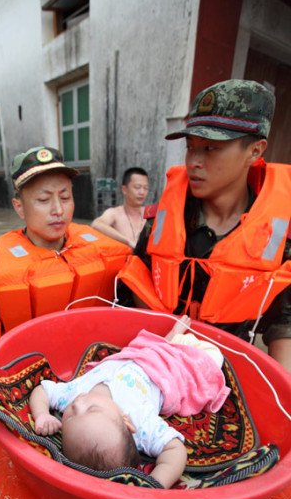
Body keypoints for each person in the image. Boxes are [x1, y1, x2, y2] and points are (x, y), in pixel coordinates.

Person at [0, 146, 131, 438]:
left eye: (65, 197)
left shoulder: (103, 255)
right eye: (43, 200)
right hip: (31, 385)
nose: (58, 210)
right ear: (19, 207)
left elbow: (126, 317)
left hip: (94, 375)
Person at [117, 79, 291, 371]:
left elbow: (284, 330)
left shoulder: (279, 237)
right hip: (155, 360)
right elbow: (136, 287)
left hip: (226, 372)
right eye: (190, 147)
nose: (194, 161)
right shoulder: (164, 219)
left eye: (211, 148)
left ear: (255, 151)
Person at [29, 315, 229, 489]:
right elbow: (175, 450)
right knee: (212, 358)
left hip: (136, 354)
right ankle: (176, 341)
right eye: (91, 409)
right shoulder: (139, 421)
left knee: (153, 347)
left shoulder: (70, 397)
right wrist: (156, 484)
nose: (77, 405)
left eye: (71, 416)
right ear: (126, 421)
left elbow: (42, 390)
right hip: (164, 371)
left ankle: (172, 338)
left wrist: (43, 415)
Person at [92, 167, 150, 248]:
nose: (142, 192)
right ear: (124, 189)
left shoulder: (151, 213)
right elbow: (96, 224)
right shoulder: (114, 213)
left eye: (146, 188)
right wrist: (128, 241)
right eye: (137, 187)